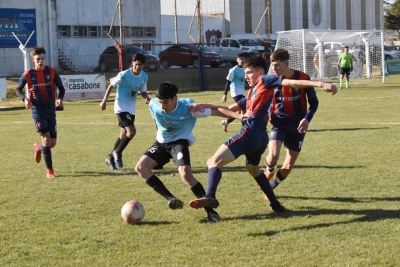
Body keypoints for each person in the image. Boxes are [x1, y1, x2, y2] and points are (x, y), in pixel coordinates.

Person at [188, 56, 337, 218]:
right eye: (245, 73)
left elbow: (292, 83)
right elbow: (228, 109)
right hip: (260, 138)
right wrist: (206, 106)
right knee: (253, 169)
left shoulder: (265, 80)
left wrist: (320, 84)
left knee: (213, 161)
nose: (246, 76)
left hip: (249, 132)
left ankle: (210, 195)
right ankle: (276, 204)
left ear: (260, 72)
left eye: (250, 72)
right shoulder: (252, 91)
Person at [134, 82, 241, 223]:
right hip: (161, 143)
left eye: (166, 102)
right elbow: (155, 117)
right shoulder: (153, 104)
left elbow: (217, 111)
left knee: (186, 174)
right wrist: (158, 135)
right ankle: (171, 199)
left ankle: (212, 213)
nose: (162, 106)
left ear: (175, 98)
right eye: (160, 102)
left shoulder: (189, 108)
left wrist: (240, 117)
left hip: (179, 142)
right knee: (140, 168)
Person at [264, 48, 336, 198]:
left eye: (277, 65)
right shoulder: (272, 79)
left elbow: (314, 103)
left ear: (287, 64)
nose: (274, 68)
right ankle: (269, 169)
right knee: (273, 156)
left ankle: (270, 188)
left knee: (288, 165)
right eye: (272, 65)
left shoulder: (303, 77)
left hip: (298, 126)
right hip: (279, 123)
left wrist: (307, 119)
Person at [15, 45, 66, 178]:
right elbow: (17, 89)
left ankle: (39, 147)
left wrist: (60, 98)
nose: (40, 61)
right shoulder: (28, 74)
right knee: (46, 139)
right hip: (37, 109)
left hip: (50, 110)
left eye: (42, 58)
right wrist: (25, 99)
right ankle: (50, 170)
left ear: (45, 58)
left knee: (52, 143)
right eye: (38, 59)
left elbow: (61, 88)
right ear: (33, 59)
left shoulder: (52, 72)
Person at [99, 52, 151, 170]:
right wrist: (104, 101)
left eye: (140, 65)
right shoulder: (124, 75)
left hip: (131, 108)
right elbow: (111, 85)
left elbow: (142, 90)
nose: (137, 67)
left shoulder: (144, 76)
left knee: (123, 135)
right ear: (132, 63)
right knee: (131, 132)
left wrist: (146, 97)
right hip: (121, 107)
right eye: (136, 64)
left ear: (143, 65)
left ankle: (110, 159)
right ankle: (118, 153)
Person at [220, 52, 248, 132]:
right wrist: (224, 94)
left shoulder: (246, 69)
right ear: (237, 60)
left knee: (239, 111)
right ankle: (245, 129)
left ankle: (226, 122)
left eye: (243, 59)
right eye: (240, 59)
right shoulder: (233, 70)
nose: (242, 60)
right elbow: (228, 82)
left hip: (241, 91)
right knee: (244, 108)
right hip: (235, 91)